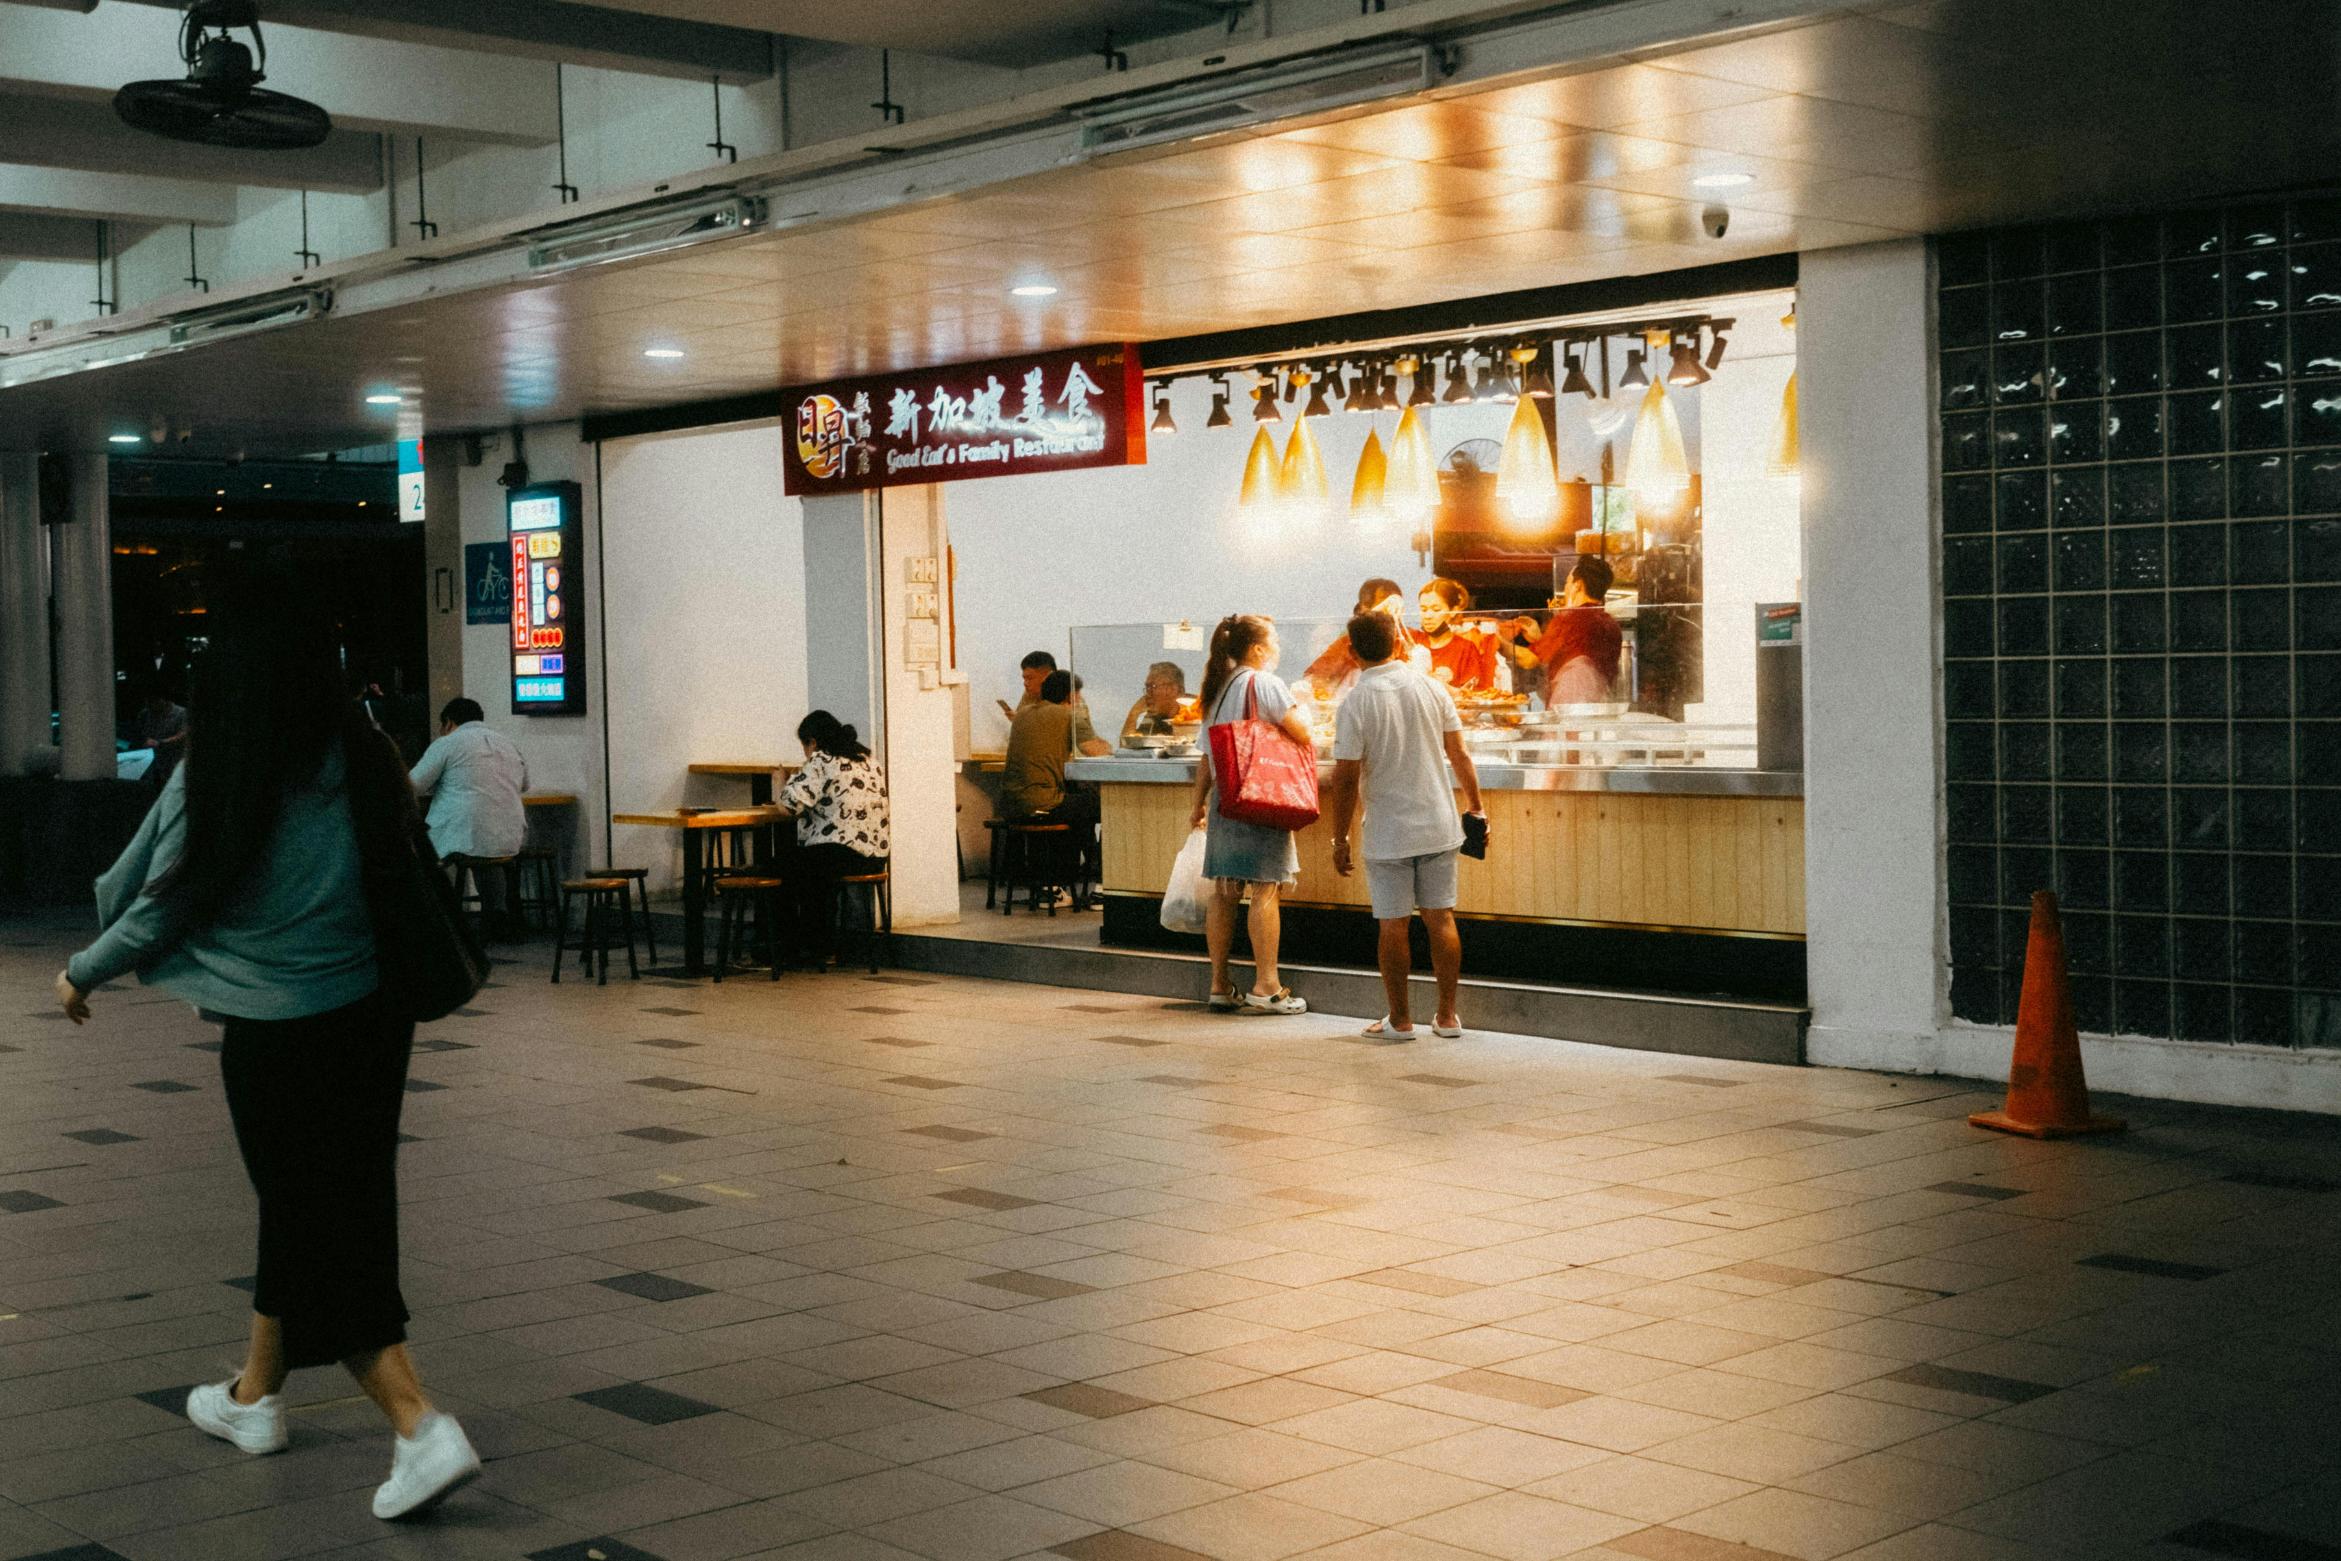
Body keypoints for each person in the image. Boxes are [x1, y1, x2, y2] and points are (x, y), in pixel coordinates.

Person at [52, 565, 479, 1522]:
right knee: (321, 1203)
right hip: (374, 1023)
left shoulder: (230, 764)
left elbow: (163, 901)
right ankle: (254, 1398)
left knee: (320, 1224)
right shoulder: (361, 751)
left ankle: (420, 1426)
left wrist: (81, 969)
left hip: (279, 1033)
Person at [1325, 608, 1486, 1041]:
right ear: (1398, 642)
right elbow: (1460, 755)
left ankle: (1399, 1021)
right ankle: (1448, 1017)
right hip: (1438, 822)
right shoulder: (1432, 688)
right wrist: (1476, 808)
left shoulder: (1356, 702)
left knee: (1393, 924)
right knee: (1441, 919)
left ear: (1353, 651)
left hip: (1389, 830)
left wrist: (1339, 836)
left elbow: (1345, 778)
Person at [1190, 614, 1313, 1016]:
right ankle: (1267, 985)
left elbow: (1207, 758)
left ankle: (1219, 985)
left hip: (1226, 801)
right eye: (1273, 640)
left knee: (1224, 893)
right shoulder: (1266, 683)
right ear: (1257, 648)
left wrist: (1197, 804)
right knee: (1264, 889)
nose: (1278, 646)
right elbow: (1303, 733)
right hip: (1263, 796)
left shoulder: (1217, 689)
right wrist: (1306, 708)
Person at [774, 711, 890, 967]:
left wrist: (779, 783)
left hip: (840, 854)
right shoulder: (869, 760)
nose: (805, 753)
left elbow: (788, 807)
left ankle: (792, 946)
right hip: (875, 856)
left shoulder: (821, 760)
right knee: (807, 868)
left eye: (804, 746)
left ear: (812, 742)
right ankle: (820, 945)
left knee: (781, 867)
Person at [1002, 670, 1108, 900]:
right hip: (1044, 801)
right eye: (1078, 696)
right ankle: (1103, 888)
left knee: (1079, 808)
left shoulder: (1022, 715)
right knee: (1109, 807)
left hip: (1010, 803)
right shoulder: (1069, 716)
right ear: (1071, 696)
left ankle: (1052, 887)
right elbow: (1097, 751)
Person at [408, 698, 529, 863]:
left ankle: (441, 889)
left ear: (448, 723)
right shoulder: (508, 743)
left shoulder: (447, 743)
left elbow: (412, 786)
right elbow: (524, 785)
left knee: (414, 850)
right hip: (510, 839)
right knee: (488, 866)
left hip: (462, 838)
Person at [1299, 577, 1413, 700]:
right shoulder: (1348, 641)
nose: (1389, 612)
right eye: (1383, 607)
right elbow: (1314, 678)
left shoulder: (1411, 639)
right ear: (1363, 609)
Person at [1533, 556, 1624, 705]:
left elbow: (1532, 659)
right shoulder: (1611, 625)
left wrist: (1496, 636)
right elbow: (1574, 649)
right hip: (1601, 705)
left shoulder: (1568, 619)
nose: (1565, 588)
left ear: (1578, 585)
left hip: (1568, 706)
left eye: (1568, 582)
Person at [1417, 579, 1497, 692]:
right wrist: (1393, 600)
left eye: (1436, 610)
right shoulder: (1412, 639)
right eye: (1423, 609)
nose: (1428, 616)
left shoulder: (1465, 649)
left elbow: (1472, 695)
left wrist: (1445, 687)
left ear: (1453, 611)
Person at [1120, 661, 1189, 744]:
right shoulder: (1151, 719)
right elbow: (1126, 747)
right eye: (1147, 688)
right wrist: (1133, 714)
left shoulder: (1192, 718)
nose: (1148, 694)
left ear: (1173, 690)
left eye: (1153, 687)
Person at [138, 683, 189, 790]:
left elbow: (183, 734)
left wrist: (161, 742)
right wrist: (144, 739)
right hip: (153, 760)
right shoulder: (146, 714)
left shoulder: (181, 713)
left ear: (163, 700)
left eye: (153, 702)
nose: (150, 705)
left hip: (174, 759)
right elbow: (140, 732)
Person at [996, 649, 1058, 724]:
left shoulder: (1065, 696)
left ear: (1048, 676)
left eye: (1030, 678)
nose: (1025, 683)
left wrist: (1022, 720)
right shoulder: (1030, 693)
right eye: (1024, 678)